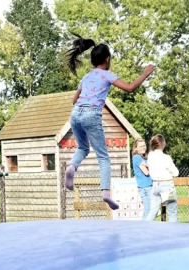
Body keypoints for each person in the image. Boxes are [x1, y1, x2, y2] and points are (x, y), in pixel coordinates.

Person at [64, 33, 155, 210]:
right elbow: (129, 88)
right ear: (107, 59)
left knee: (83, 148)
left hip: (75, 115)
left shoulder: (87, 76)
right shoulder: (107, 75)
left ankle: (71, 168)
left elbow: (74, 100)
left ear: (92, 61)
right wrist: (145, 74)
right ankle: (105, 193)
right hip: (91, 114)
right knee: (103, 157)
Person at [145, 134, 179, 222]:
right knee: (172, 212)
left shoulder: (150, 156)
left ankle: (145, 229)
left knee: (153, 211)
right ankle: (173, 231)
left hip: (155, 184)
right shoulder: (166, 158)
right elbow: (176, 172)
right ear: (162, 143)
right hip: (166, 185)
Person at [132, 138, 153, 220]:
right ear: (136, 148)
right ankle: (144, 227)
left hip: (148, 186)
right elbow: (146, 172)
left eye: (144, 146)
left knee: (150, 209)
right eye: (140, 146)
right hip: (145, 187)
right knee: (149, 209)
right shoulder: (136, 157)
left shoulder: (144, 158)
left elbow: (148, 166)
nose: (143, 147)